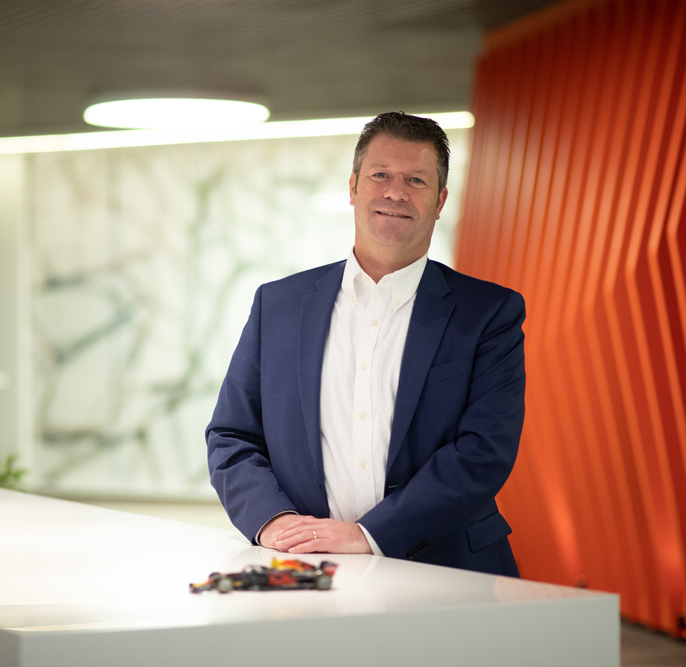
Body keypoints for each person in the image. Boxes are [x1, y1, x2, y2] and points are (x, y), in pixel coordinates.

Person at [206, 112, 524, 575]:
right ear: (353, 187)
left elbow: (484, 450)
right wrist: (272, 520)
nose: (396, 192)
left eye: (416, 179)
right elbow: (232, 435)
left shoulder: (489, 313)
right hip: (309, 568)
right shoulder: (278, 305)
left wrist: (370, 534)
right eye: (380, 175)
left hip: (450, 570)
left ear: (440, 200)